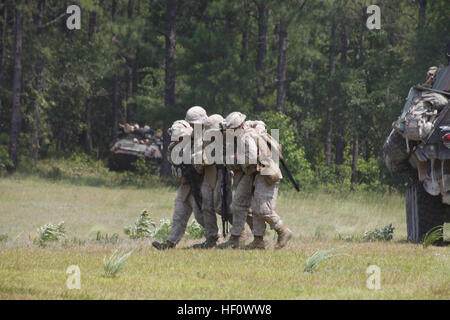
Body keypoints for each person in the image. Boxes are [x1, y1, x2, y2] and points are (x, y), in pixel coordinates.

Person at [219, 111, 293, 249]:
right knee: (239, 204)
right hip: (254, 173)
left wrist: (235, 158)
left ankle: (282, 231)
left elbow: (251, 159)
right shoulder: (246, 129)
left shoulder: (245, 137)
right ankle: (253, 240)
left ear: (238, 128)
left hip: (265, 172)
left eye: (230, 130)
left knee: (262, 209)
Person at [152, 107, 208, 250]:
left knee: (201, 215)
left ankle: (214, 238)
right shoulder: (180, 142)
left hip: (199, 184)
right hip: (186, 184)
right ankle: (170, 242)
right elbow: (173, 160)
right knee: (179, 213)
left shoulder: (203, 140)